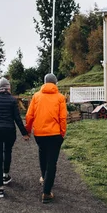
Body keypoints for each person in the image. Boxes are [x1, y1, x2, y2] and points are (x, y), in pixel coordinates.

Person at [25, 73, 67, 204]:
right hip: (55, 134)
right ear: (55, 83)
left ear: (44, 82)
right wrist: (62, 133)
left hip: (39, 134)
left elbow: (29, 115)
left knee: (42, 154)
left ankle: (44, 177)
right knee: (52, 162)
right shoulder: (60, 97)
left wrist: (28, 131)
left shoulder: (36, 96)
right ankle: (47, 192)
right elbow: (63, 118)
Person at [0, 77, 29, 199]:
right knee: (8, 151)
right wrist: (24, 133)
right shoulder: (12, 100)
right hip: (10, 131)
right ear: (8, 88)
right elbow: (17, 119)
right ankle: (6, 175)